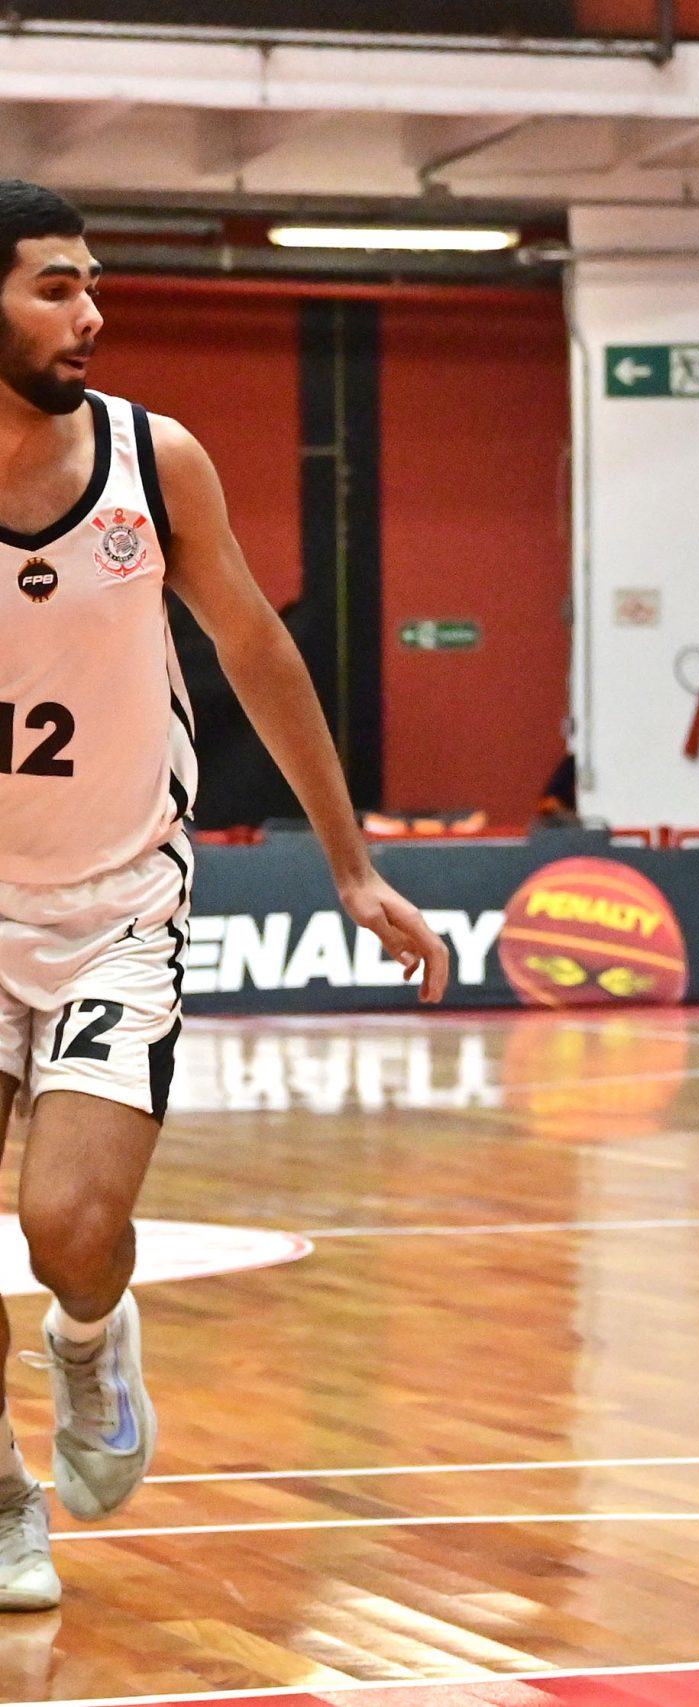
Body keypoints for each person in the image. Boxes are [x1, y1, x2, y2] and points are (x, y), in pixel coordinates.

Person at [0, 181, 451, 1609]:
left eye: (93, 284)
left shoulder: (155, 460)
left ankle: (88, 1339)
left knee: (69, 1224)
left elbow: (258, 650)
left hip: (117, 903)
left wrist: (352, 862)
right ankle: (3, 1501)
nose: (91, 313)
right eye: (56, 287)